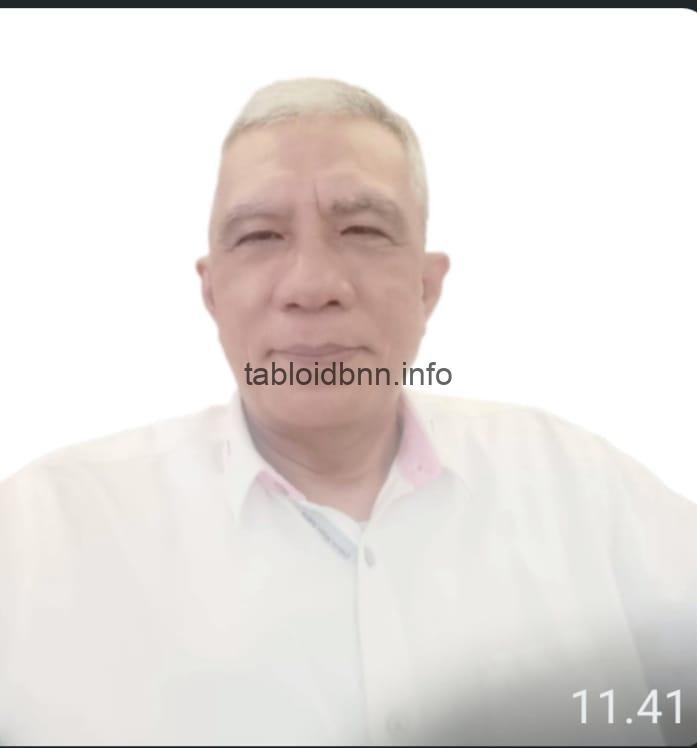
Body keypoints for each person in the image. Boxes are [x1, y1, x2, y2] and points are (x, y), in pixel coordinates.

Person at [0, 77, 694, 747]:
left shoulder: (585, 492)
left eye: (362, 229)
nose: (311, 286)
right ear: (212, 293)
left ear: (426, 287)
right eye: (260, 236)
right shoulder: (41, 537)